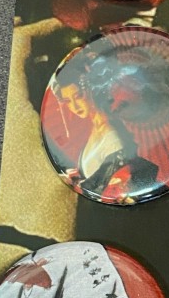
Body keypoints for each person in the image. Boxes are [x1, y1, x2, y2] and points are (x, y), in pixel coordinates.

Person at [50, 61, 159, 202]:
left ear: (91, 91)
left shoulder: (112, 139)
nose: (74, 106)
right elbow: (98, 173)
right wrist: (79, 174)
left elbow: (106, 189)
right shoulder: (95, 128)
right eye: (68, 101)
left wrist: (78, 184)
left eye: (78, 96)